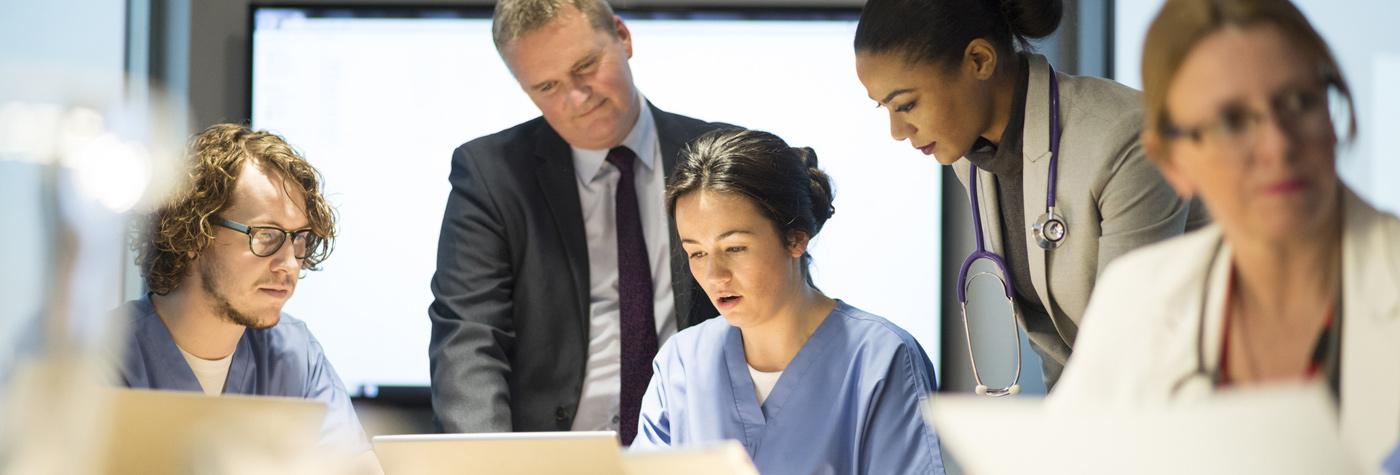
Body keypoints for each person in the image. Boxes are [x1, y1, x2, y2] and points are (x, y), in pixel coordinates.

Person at [1049, 0, 1400, 470]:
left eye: (1299, 101)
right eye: (1232, 122)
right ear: (1172, 161)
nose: (1279, 144)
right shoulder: (1138, 298)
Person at [853, 0, 1207, 389]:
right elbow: (1059, 344)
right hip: (1102, 411)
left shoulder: (1124, 138)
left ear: (979, 60)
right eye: (884, 108)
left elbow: (1128, 339)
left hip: (1196, 403)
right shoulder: (973, 158)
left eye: (906, 104)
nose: (898, 131)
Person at [427, 0, 729, 443]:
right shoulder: (491, 174)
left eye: (586, 66)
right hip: (550, 456)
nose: (576, 98)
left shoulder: (722, 155)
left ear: (622, 37)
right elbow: (469, 339)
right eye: (547, 86)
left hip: (700, 448)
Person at [632, 129, 945, 474]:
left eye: (735, 248)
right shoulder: (681, 363)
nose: (714, 275)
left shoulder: (880, 358)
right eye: (697, 252)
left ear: (796, 239)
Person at [120, 123, 368, 454]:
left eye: (300, 240)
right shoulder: (107, 357)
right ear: (194, 234)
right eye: (266, 235)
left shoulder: (295, 356)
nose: (290, 264)